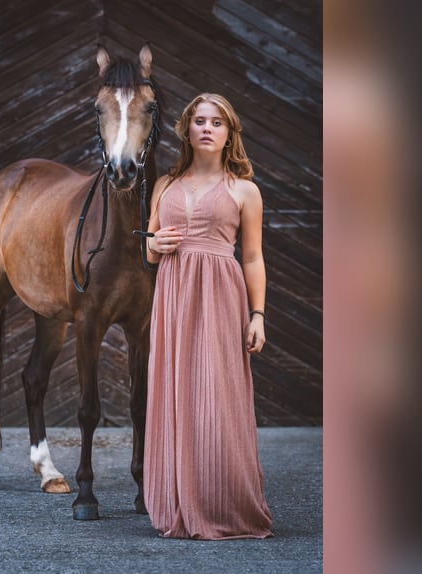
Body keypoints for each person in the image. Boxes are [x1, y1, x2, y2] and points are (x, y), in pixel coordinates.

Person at [143, 93, 273, 539]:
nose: (206, 128)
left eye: (216, 122)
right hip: (175, 294)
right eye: (198, 120)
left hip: (221, 293)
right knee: (175, 386)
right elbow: (151, 244)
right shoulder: (164, 184)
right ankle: (177, 497)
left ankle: (224, 501)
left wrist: (257, 314)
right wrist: (153, 246)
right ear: (186, 130)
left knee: (218, 391)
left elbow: (252, 257)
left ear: (228, 133)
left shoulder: (244, 190)